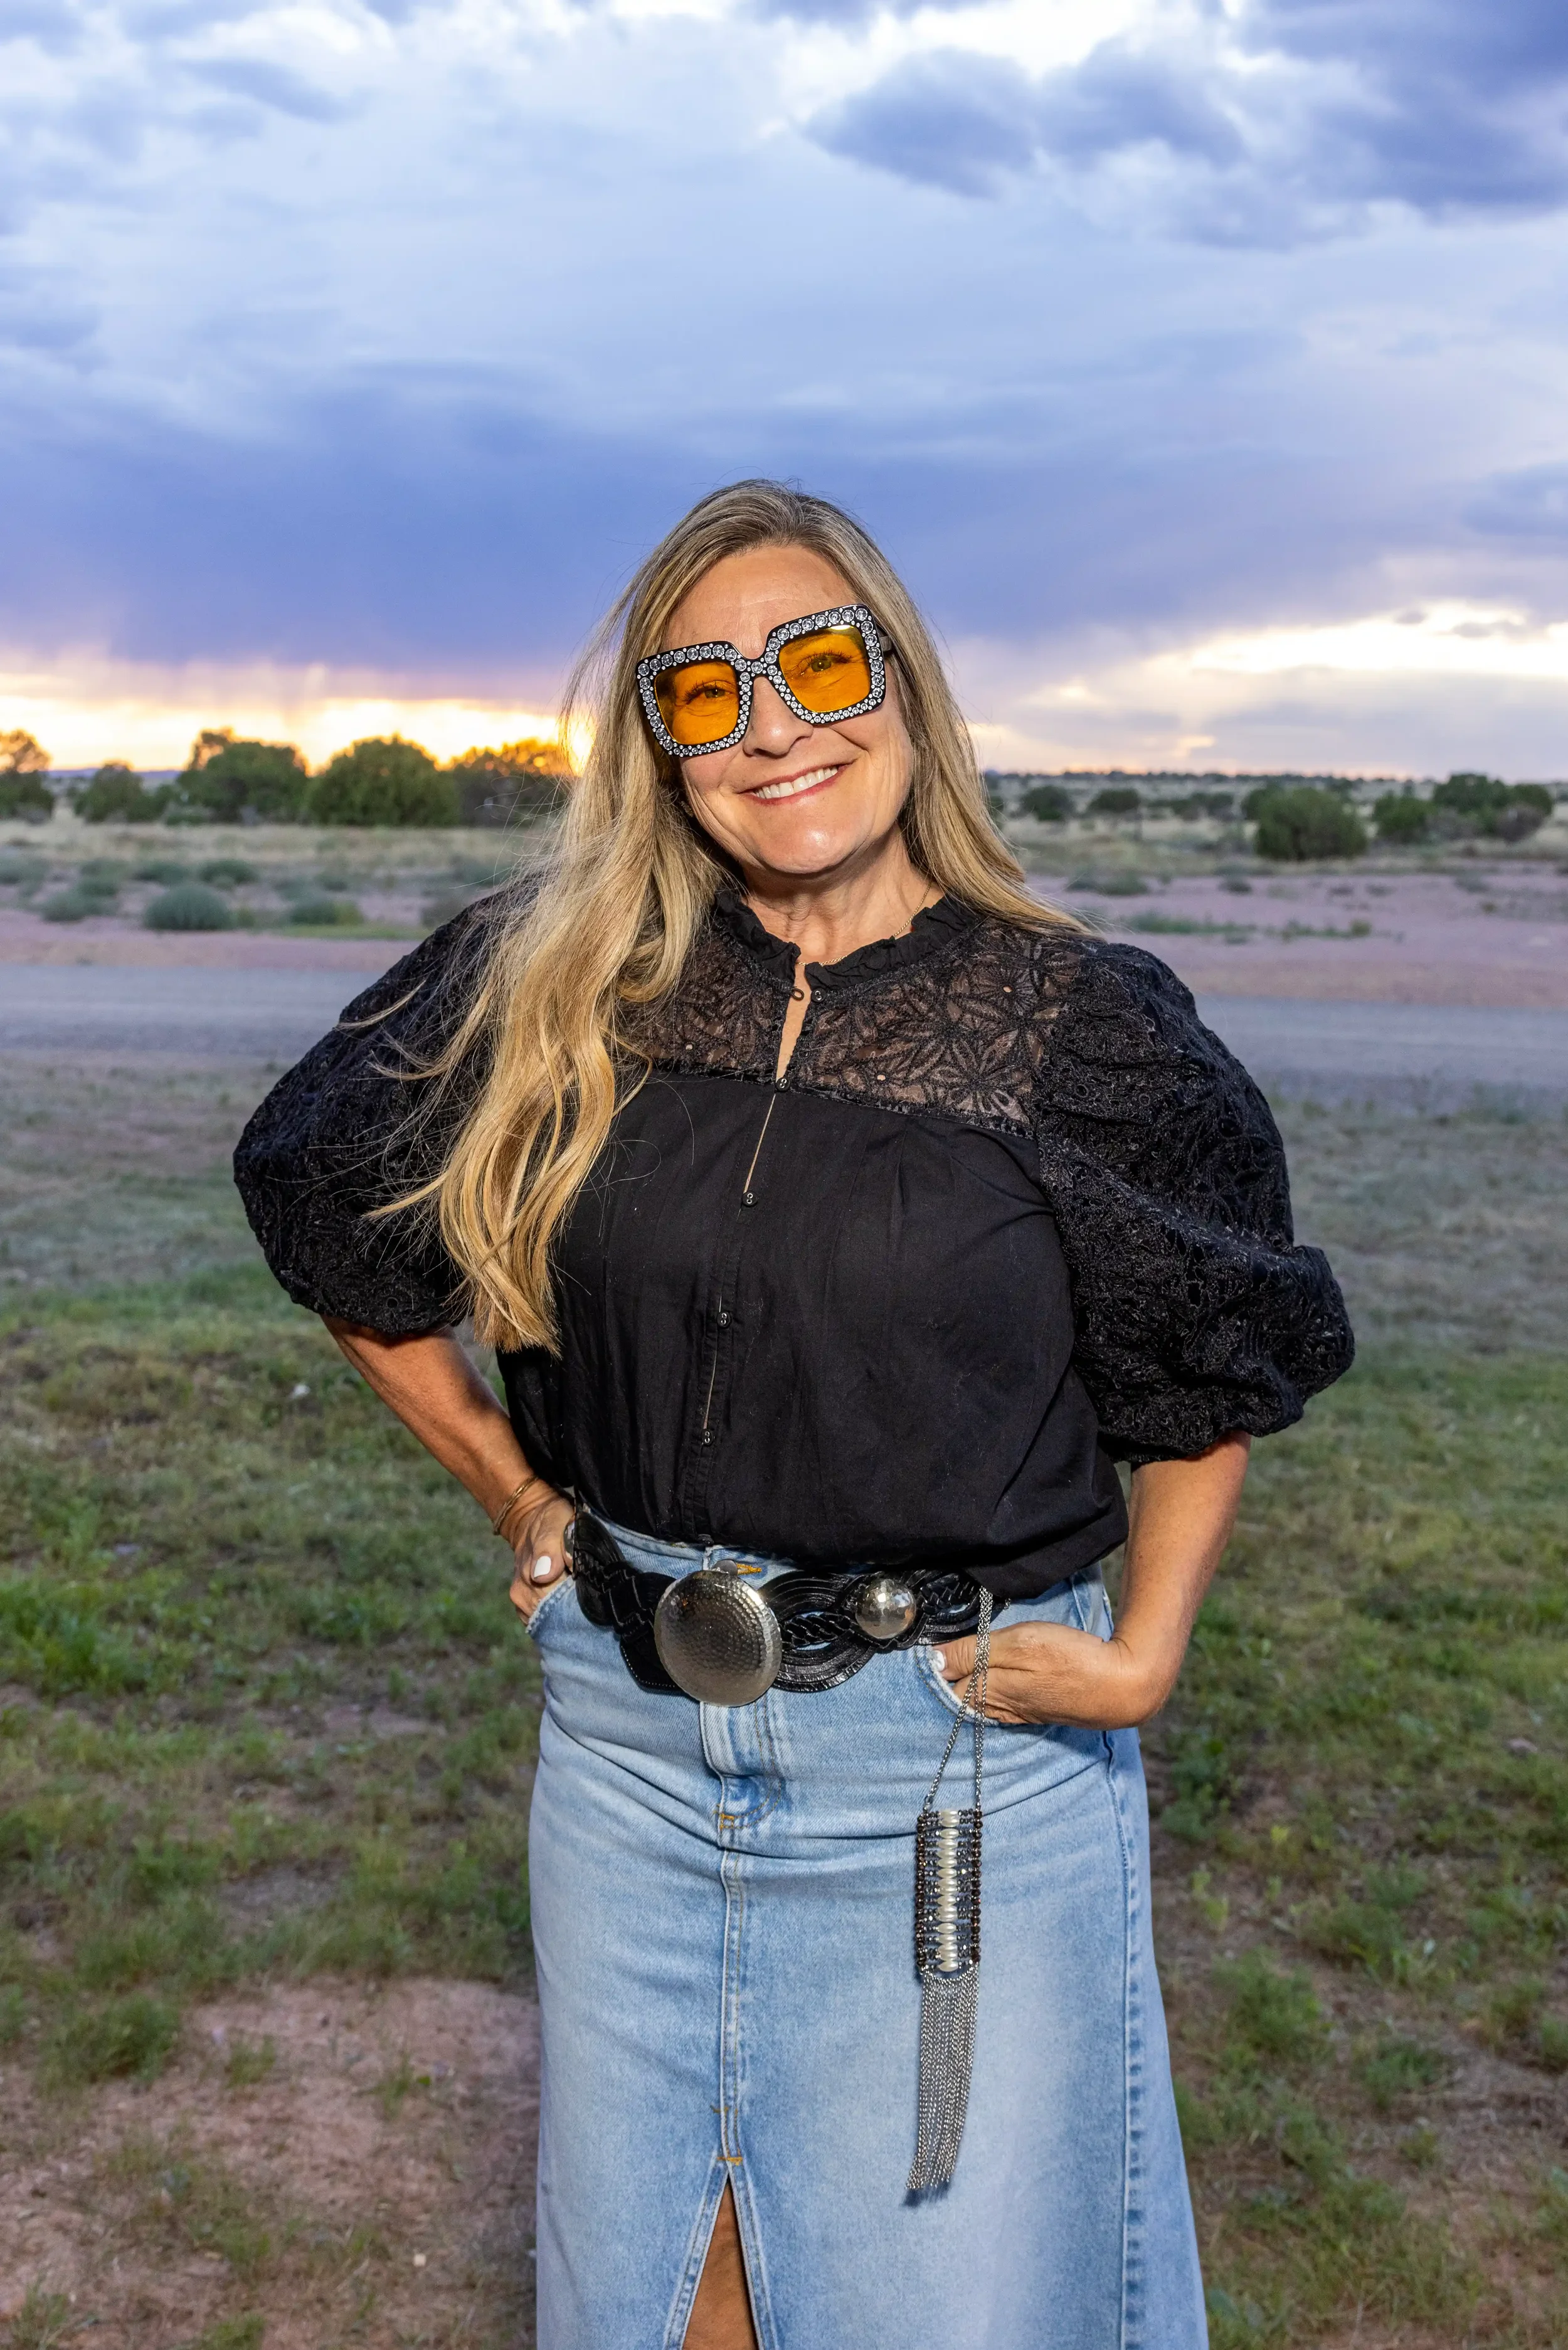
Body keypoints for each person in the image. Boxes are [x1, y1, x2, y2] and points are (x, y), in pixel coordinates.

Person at [235, 480, 1353, 2350]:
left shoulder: (1077, 1027)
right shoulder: (565, 981)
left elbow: (1203, 1359)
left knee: (959, 2307)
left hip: (951, 1760)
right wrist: (508, 1482)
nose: (772, 724)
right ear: (659, 754)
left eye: (817, 661)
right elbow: (319, 1199)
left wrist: (1145, 1652)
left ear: (903, 690)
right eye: (703, 691)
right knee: (669, 2302)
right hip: (625, 1761)